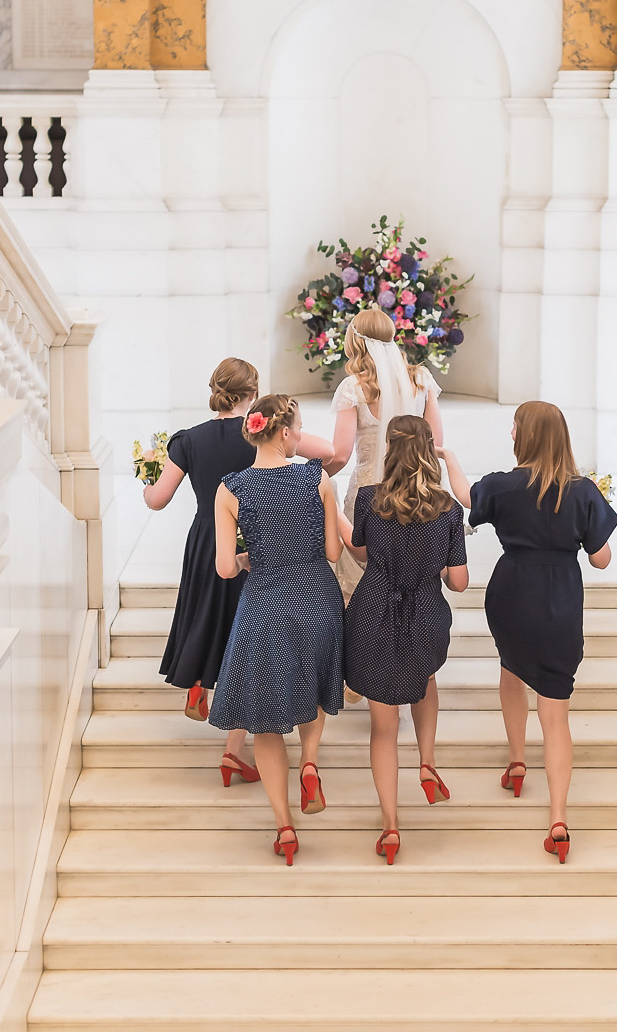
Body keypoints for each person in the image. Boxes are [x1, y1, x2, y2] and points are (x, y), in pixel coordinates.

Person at [439, 402, 617, 863]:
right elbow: (601, 559)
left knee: (511, 669)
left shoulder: (502, 485)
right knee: (555, 713)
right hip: (559, 598)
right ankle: (558, 817)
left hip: (512, 591)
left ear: (524, 435)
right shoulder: (582, 492)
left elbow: (466, 498)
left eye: (514, 426)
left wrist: (451, 459)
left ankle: (517, 761)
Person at [144, 360, 332, 789]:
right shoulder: (262, 433)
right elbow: (328, 454)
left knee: (207, 611)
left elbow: (158, 500)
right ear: (254, 392)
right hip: (261, 540)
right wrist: (316, 488)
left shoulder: (189, 439)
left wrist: (146, 481)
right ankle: (232, 750)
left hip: (210, 541)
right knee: (247, 639)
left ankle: (197, 680)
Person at [209, 395, 345, 866]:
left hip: (266, 604)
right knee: (314, 689)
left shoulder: (231, 489)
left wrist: (251, 558)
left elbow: (225, 568)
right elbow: (332, 552)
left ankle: (285, 826)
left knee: (265, 720)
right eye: (301, 428)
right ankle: (310, 762)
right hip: (317, 599)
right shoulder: (317, 478)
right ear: (285, 433)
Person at [339, 415, 469, 865]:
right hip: (426, 612)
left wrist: (340, 522)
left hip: (373, 608)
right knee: (424, 677)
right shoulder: (450, 508)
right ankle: (428, 762)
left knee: (383, 727)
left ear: (390, 450)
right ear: (428, 449)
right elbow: (459, 582)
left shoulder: (369, 500)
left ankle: (391, 825)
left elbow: (361, 552)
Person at [326, 308, 444, 602]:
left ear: (356, 342)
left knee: (364, 582)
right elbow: (436, 443)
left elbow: (340, 455)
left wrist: (311, 478)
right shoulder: (421, 381)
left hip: (368, 492)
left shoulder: (354, 388)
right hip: (417, 490)